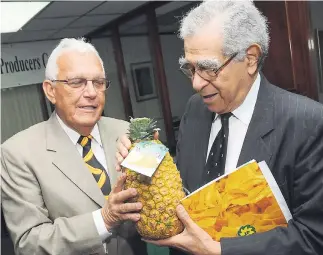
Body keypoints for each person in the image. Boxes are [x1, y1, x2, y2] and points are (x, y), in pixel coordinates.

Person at [115, 1, 323, 255]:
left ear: (250, 59)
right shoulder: (194, 110)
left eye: (207, 68)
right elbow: (185, 191)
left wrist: (219, 250)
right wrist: (146, 157)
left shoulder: (307, 123)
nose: (196, 83)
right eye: (190, 68)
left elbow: (313, 236)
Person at [1, 38, 147, 255]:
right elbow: (29, 243)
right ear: (50, 91)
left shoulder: (126, 132)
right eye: (77, 82)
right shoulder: (18, 153)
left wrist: (155, 158)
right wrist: (104, 219)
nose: (91, 93)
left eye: (98, 82)